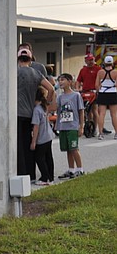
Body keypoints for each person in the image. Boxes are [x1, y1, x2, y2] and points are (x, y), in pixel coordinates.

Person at [17, 48, 54, 181]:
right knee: (28, 145)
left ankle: (20, 173)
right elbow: (50, 89)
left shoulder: (14, 72)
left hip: (16, 113)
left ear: (18, 59)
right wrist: (46, 104)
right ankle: (30, 174)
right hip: (29, 113)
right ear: (31, 60)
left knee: (18, 145)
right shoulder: (36, 73)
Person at [55, 73, 85, 179]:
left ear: (69, 81)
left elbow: (81, 111)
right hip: (63, 126)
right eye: (59, 80)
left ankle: (80, 169)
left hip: (73, 126)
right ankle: (71, 169)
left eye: (63, 80)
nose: (61, 82)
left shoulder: (76, 95)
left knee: (74, 148)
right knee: (68, 149)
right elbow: (55, 109)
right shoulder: (60, 97)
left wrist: (81, 126)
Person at [30, 86, 55, 185]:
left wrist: (33, 142)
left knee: (39, 158)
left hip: (42, 138)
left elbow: (36, 127)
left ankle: (44, 177)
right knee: (49, 157)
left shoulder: (36, 110)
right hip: (49, 135)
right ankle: (51, 177)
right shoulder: (43, 106)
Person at [76, 53, 102, 137]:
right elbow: (78, 81)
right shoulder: (83, 70)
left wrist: (99, 89)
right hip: (85, 92)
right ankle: (89, 126)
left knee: (94, 109)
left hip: (94, 92)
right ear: (86, 61)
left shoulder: (98, 69)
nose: (91, 62)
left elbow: (101, 80)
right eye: (89, 60)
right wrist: (77, 89)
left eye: (92, 60)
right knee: (87, 110)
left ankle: (95, 128)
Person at [95, 55, 117, 140]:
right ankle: (116, 133)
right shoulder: (115, 72)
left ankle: (100, 133)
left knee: (101, 114)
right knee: (114, 114)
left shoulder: (100, 72)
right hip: (112, 93)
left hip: (103, 93)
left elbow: (97, 85)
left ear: (104, 63)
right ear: (112, 63)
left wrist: (99, 90)